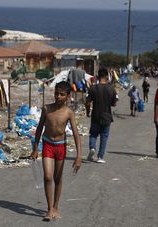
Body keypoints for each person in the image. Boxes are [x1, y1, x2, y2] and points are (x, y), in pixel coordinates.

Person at [30, 81, 82, 221]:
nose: (58, 96)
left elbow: (76, 135)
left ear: (68, 96)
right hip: (47, 144)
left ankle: (56, 207)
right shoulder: (47, 109)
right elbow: (39, 128)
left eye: (62, 94)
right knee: (47, 176)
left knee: (57, 178)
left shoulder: (68, 113)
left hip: (60, 147)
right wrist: (35, 148)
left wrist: (79, 157)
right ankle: (49, 209)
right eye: (56, 93)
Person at [85, 68, 118, 163]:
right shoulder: (111, 89)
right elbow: (114, 104)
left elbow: (87, 103)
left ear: (98, 76)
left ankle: (92, 148)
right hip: (107, 116)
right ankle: (100, 157)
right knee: (104, 136)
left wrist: (88, 112)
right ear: (107, 76)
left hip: (95, 115)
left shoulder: (93, 88)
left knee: (93, 134)